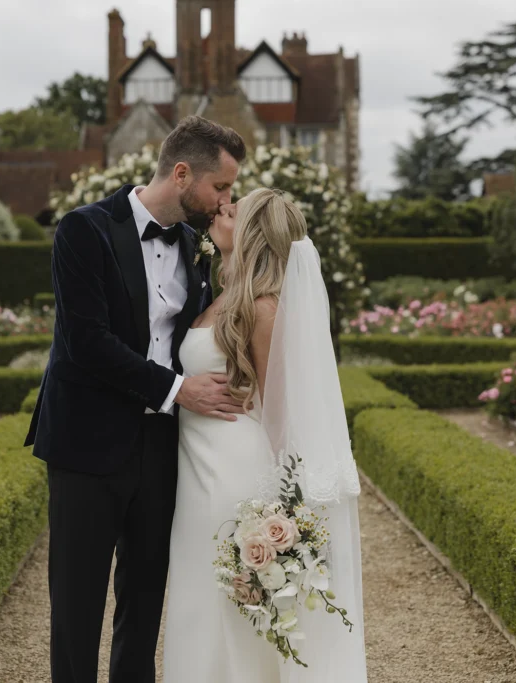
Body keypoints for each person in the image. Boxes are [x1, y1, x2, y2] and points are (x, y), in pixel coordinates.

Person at [24, 115, 247, 683]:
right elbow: (86, 342)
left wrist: (228, 256)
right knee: (76, 605)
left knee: (144, 600)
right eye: (220, 187)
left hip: (160, 445)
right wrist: (177, 389)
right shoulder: (84, 230)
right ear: (181, 173)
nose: (227, 198)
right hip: (86, 442)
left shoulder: (197, 244)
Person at [163, 188, 368, 681]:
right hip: (197, 469)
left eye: (238, 209)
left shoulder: (263, 309)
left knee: (226, 610)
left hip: (231, 476)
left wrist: (281, 510)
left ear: (254, 233)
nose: (224, 208)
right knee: (198, 601)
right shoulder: (218, 297)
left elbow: (282, 415)